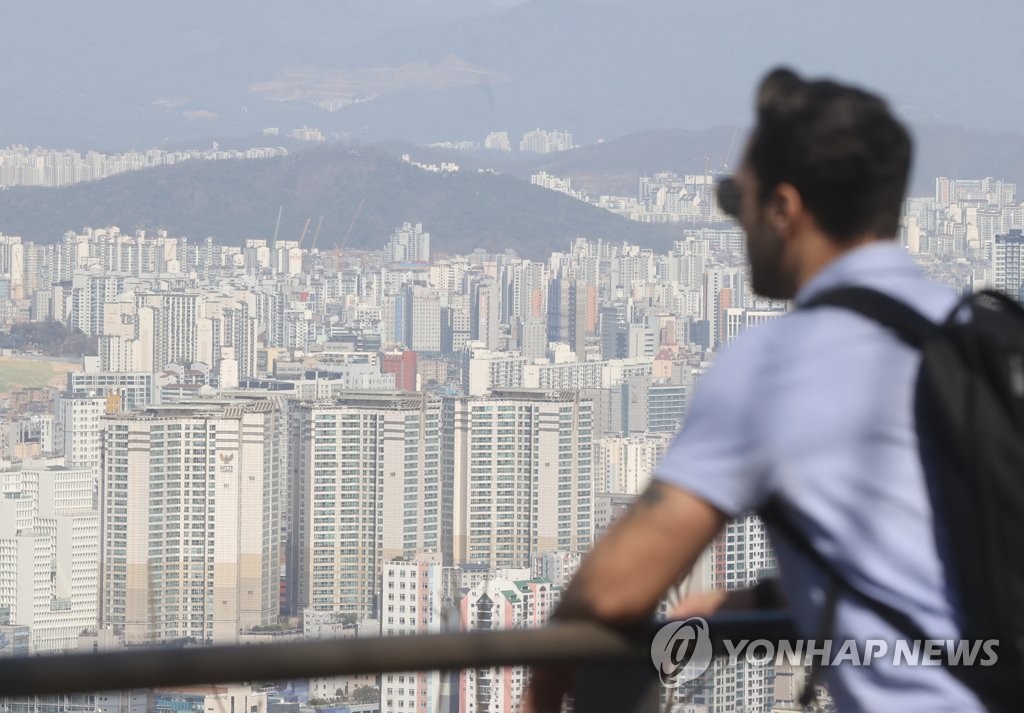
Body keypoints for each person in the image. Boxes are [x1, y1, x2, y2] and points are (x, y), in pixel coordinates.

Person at [523, 67, 986, 712]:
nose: (736, 225)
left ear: (784, 211)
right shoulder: (979, 335)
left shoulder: (778, 363)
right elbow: (937, 542)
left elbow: (611, 593)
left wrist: (540, 694)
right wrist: (770, 598)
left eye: (735, 201)